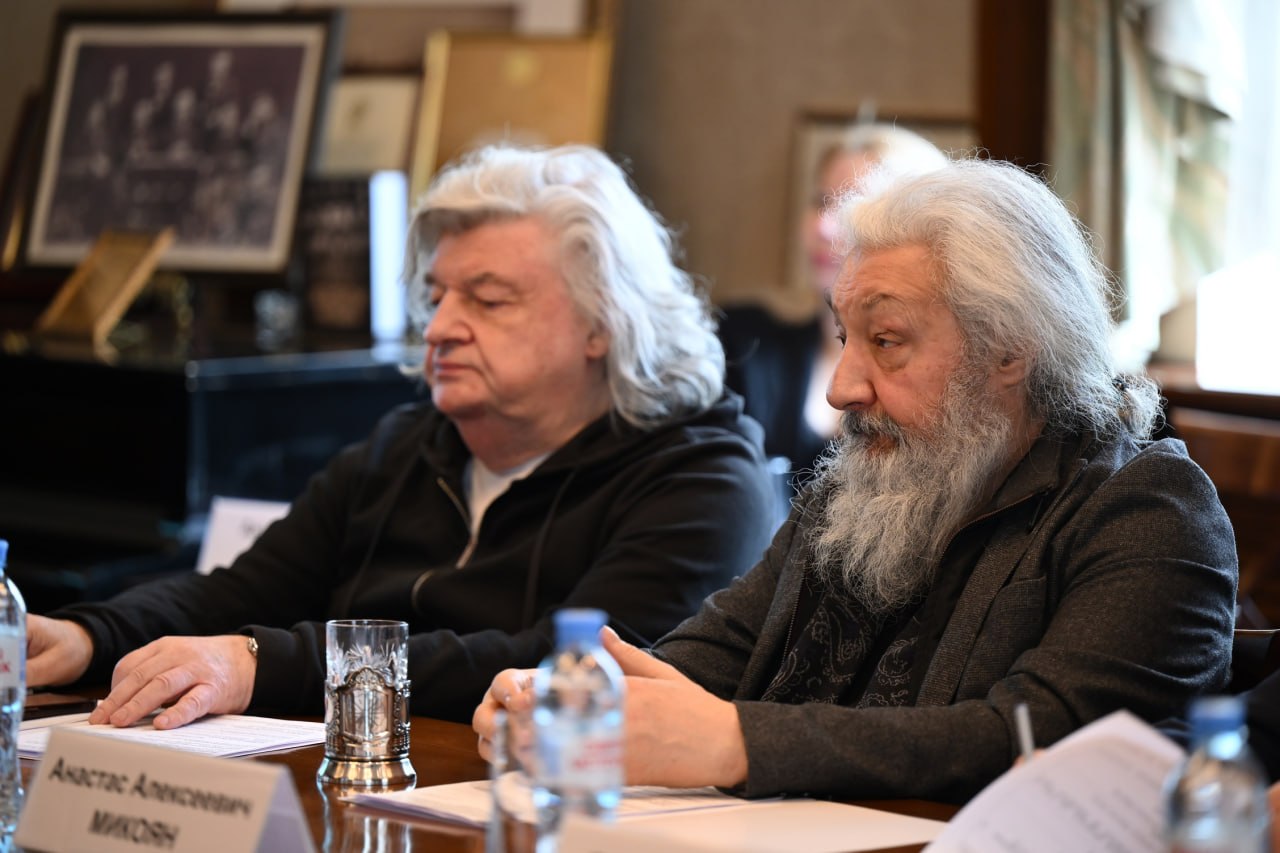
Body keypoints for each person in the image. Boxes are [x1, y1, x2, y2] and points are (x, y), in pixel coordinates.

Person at [475, 157, 1238, 803]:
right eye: (846, 338)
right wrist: (569, 701)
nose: (842, 387)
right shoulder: (860, 490)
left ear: (1010, 350)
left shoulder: (1146, 509)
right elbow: (710, 658)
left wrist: (738, 741)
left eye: (887, 341)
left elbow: (1045, 741)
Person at [24, 144, 777, 728]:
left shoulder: (704, 479)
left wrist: (264, 662)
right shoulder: (406, 445)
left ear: (602, 323)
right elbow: (240, 592)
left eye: (487, 300)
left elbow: (565, 666)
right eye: (437, 295)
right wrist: (90, 635)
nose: (440, 328)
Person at [719, 123, 947, 480]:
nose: (823, 227)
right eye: (820, 202)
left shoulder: (939, 379)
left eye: (853, 208)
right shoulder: (741, 342)